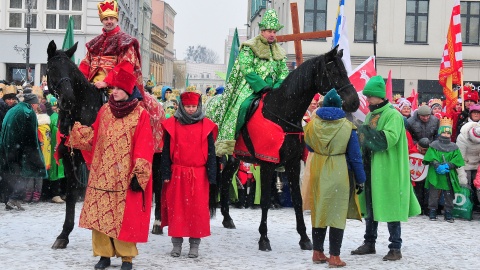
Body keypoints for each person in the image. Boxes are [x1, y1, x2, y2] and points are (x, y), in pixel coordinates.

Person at [68, 68, 154, 270]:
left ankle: (126, 257)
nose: (113, 92)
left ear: (128, 90)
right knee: (100, 216)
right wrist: (74, 130)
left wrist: (139, 174)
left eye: (118, 88)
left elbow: (144, 146)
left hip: (124, 176)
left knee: (125, 218)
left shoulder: (140, 115)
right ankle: (103, 255)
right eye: (112, 88)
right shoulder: (104, 111)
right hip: (102, 173)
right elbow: (95, 137)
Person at [351, 76, 421, 261]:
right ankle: (369, 243)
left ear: (379, 96)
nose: (368, 100)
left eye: (370, 96)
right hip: (372, 168)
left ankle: (395, 248)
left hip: (389, 170)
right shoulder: (370, 115)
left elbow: (386, 140)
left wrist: (363, 131)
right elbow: (364, 140)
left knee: (391, 207)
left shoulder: (393, 115)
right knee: (371, 206)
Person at [207, 9, 289, 155]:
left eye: (274, 31)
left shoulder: (280, 52)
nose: (272, 34)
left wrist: (277, 88)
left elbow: (283, 72)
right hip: (252, 87)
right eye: (269, 31)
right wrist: (262, 87)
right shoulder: (249, 47)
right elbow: (247, 69)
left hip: (275, 89)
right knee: (243, 106)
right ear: (262, 31)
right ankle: (233, 137)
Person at [304, 89, 366, 267]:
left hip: (318, 169)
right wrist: (360, 178)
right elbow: (355, 156)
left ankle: (317, 251)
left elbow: (309, 147)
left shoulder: (312, 125)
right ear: (340, 106)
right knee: (337, 214)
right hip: (339, 170)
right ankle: (334, 256)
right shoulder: (347, 127)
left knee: (319, 211)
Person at [160, 91, 217, 258]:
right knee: (176, 209)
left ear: (198, 106)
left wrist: (212, 175)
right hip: (177, 173)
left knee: (197, 212)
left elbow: (211, 153)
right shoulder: (172, 124)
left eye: (193, 106)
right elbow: (165, 152)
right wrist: (165, 171)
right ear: (182, 106)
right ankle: (176, 244)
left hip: (199, 176)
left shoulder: (206, 125)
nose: (191, 109)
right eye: (188, 106)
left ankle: (194, 245)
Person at [0, 93, 47, 211]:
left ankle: (9, 200)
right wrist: (34, 153)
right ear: (32, 104)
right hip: (20, 149)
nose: (37, 106)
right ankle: (13, 199)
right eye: (36, 104)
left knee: (10, 175)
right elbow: (31, 134)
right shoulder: (28, 111)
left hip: (7, 147)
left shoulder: (14, 109)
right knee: (26, 173)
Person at [422, 117, 464, 222]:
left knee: (449, 193)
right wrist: (436, 165)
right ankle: (432, 211)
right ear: (440, 133)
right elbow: (430, 156)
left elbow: (457, 159)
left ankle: (448, 213)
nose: (446, 135)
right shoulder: (434, 145)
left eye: (448, 133)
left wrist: (449, 165)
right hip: (435, 173)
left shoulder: (454, 147)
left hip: (448, 173)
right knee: (433, 193)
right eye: (444, 133)